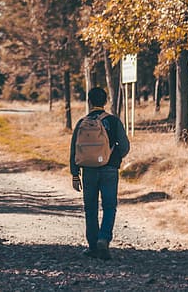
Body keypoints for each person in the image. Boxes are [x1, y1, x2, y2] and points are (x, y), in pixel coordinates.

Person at [70, 86, 130, 260]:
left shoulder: (82, 123)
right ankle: (104, 239)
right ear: (105, 101)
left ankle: (92, 246)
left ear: (89, 101)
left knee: (90, 208)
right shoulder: (113, 121)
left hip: (88, 170)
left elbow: (74, 150)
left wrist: (75, 174)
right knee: (109, 206)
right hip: (109, 169)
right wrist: (114, 159)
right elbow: (125, 147)